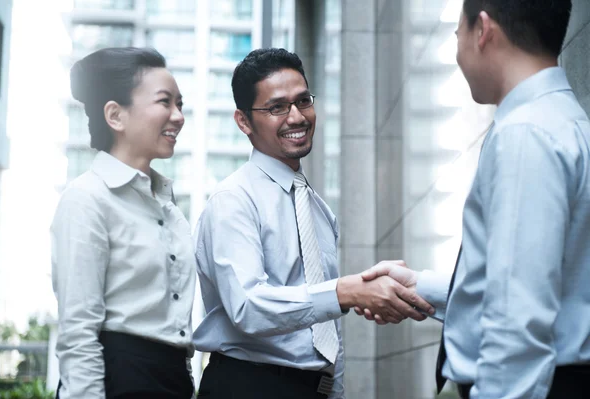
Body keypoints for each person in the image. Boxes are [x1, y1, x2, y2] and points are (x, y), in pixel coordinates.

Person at [358, 1, 590, 398]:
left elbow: (517, 323)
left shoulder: (527, 135)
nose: (457, 48)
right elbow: (541, 281)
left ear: (482, 30)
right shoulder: (565, 122)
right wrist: (421, 285)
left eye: (457, 33)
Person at [192, 48, 435, 399]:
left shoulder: (316, 208)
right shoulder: (233, 199)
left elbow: (324, 328)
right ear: (244, 121)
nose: (297, 117)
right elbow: (249, 307)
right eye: (277, 107)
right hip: (247, 386)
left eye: (303, 100)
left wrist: (332, 390)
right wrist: (346, 291)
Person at [51, 47, 196, 399]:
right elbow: (78, 332)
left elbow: (175, 322)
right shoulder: (87, 198)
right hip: (118, 381)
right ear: (115, 115)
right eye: (165, 102)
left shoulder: (170, 209)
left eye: (180, 104)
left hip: (173, 383)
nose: (178, 116)